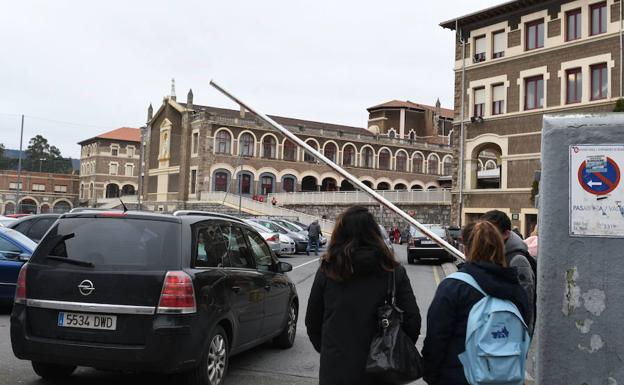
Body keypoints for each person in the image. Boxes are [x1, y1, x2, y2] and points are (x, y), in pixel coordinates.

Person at [306, 206, 421, 385]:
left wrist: (330, 350)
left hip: (337, 369)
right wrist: (391, 349)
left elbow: (313, 320)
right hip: (382, 371)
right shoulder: (393, 271)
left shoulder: (328, 270)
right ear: (374, 233)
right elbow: (412, 321)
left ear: (340, 234)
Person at [422, 221, 529, 385]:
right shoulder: (517, 291)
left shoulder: (453, 287)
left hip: (458, 377)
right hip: (507, 378)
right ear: (501, 249)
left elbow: (436, 340)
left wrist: (431, 376)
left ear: (466, 250)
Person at [480, 210, 535, 333]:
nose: (484, 238)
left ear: (506, 234)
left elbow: (526, 302)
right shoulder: (492, 254)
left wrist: (522, 337)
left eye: (491, 233)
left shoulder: (517, 260)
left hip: (510, 336)